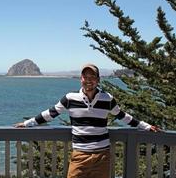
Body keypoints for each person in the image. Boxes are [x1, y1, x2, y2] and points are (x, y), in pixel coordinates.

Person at [15, 63, 160, 178]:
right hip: (80, 154)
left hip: (102, 156)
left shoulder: (107, 98)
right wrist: (27, 123)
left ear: (98, 80)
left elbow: (123, 116)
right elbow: (50, 113)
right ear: (81, 79)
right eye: (85, 76)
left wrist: (146, 126)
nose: (88, 80)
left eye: (92, 77)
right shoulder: (70, 98)